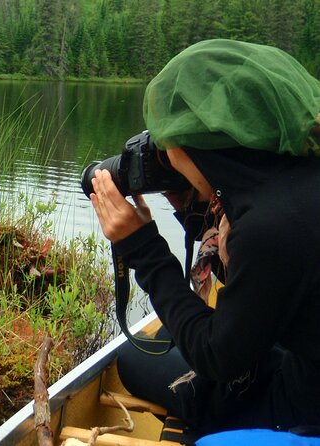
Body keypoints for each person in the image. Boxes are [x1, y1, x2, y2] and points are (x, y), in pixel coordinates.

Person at [89, 39, 320, 437]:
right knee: (168, 332)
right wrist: (195, 202)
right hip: (305, 356)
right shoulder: (293, 183)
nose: (168, 154)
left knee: (133, 359)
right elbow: (267, 281)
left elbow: (218, 359)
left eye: (172, 143)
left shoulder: (267, 227)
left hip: (303, 402)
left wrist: (141, 246)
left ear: (207, 143)